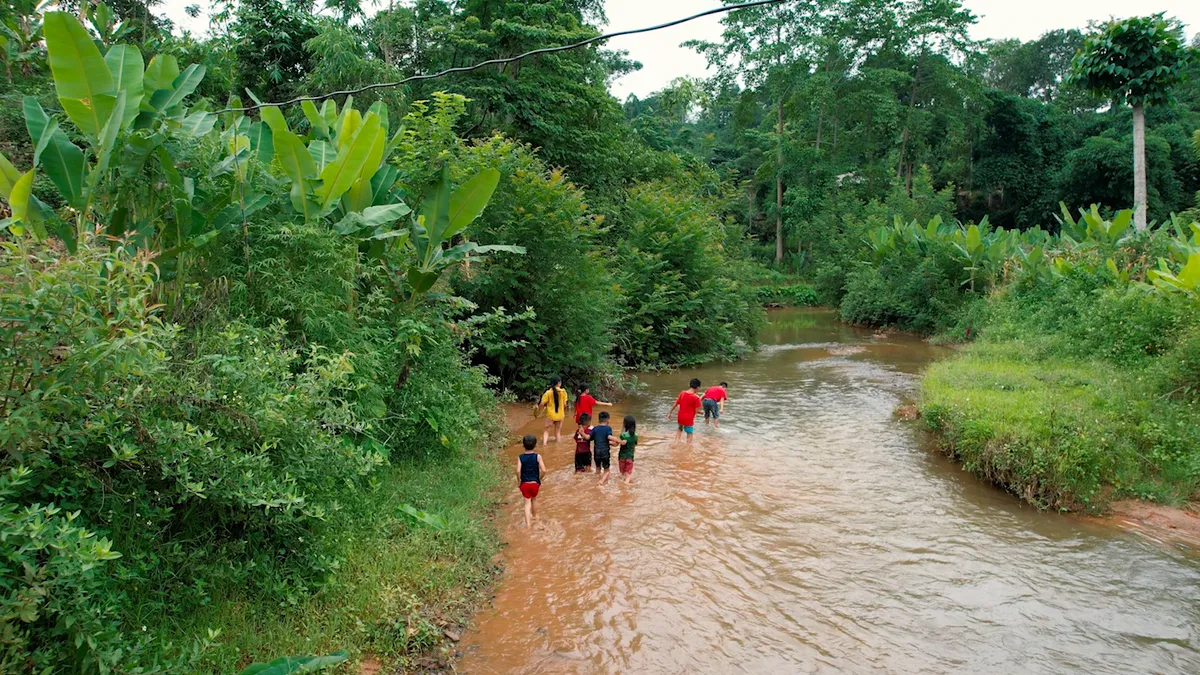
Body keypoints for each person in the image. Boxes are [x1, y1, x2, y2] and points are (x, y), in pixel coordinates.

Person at [516, 434, 546, 529]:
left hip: (525, 484)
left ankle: (528, 525)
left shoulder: (520, 457)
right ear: (535, 445)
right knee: (534, 499)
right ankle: (535, 517)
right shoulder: (538, 456)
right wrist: (539, 479)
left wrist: (519, 480)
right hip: (535, 484)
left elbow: (517, 471)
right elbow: (544, 470)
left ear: (523, 445)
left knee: (526, 503)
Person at [667, 378, 703, 444]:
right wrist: (701, 412)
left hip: (680, 417)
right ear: (698, 387)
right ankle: (688, 448)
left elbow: (675, 404)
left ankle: (675, 444)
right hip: (688, 419)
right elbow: (696, 410)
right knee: (689, 434)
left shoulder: (682, 393)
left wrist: (670, 413)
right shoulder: (696, 398)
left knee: (679, 430)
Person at [538, 375, 569, 445]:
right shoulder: (563, 392)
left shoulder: (548, 393)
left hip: (551, 415)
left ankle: (544, 444)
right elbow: (565, 405)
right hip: (560, 415)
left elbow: (542, 404)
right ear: (558, 383)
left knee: (546, 430)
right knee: (557, 431)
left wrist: (538, 408)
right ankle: (558, 445)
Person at [591, 411, 616, 485]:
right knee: (606, 469)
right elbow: (609, 439)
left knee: (598, 469)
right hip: (604, 452)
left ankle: (595, 481)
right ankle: (604, 482)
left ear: (599, 420)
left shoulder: (595, 429)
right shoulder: (608, 428)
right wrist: (616, 442)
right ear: (608, 421)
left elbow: (591, 438)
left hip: (596, 452)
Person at [617, 415, 638, 483]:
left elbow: (618, 442)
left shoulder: (623, 435)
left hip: (622, 457)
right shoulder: (636, 436)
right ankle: (626, 486)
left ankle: (623, 484)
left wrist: (622, 428)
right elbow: (634, 447)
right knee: (628, 475)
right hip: (629, 457)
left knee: (622, 473)